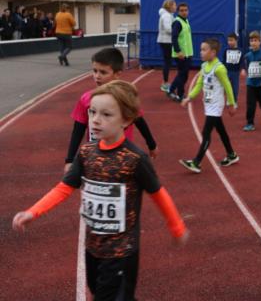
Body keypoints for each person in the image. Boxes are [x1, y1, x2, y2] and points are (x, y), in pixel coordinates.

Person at [13, 80, 188, 300]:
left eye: (106, 115)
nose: (95, 120)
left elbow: (158, 194)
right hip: (93, 248)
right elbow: (64, 188)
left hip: (121, 252)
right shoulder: (86, 153)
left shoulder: (135, 159)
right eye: (92, 112)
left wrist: (177, 227)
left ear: (126, 120)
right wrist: (33, 212)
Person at [64, 47, 157, 172]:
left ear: (117, 74)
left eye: (103, 72)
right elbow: (78, 130)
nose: (97, 76)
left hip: (122, 155)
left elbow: (139, 121)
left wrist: (152, 145)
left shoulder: (125, 98)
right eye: (95, 71)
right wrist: (69, 160)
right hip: (95, 155)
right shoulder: (86, 99)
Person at [179, 39, 239, 173]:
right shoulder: (204, 66)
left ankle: (196, 162)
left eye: (204, 49)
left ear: (213, 52)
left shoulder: (219, 68)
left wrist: (231, 104)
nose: (201, 52)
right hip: (208, 103)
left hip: (216, 105)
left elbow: (228, 86)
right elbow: (199, 84)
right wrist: (189, 98)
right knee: (221, 131)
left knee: (206, 133)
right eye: (201, 49)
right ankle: (231, 154)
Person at [242, 31, 261, 131]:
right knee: (250, 103)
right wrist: (243, 70)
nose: (253, 43)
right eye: (251, 41)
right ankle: (250, 123)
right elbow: (246, 66)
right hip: (250, 83)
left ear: (260, 42)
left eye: (255, 40)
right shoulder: (248, 55)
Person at [168, 3, 193, 102]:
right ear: (178, 11)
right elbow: (174, 38)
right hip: (181, 55)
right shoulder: (177, 22)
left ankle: (172, 90)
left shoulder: (185, 21)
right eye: (182, 10)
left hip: (188, 53)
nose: (184, 12)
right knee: (182, 74)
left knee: (184, 74)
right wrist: (178, 51)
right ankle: (180, 94)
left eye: (186, 10)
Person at [157, 0, 176, 92]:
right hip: (166, 41)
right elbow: (168, 29)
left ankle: (166, 82)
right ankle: (165, 83)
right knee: (167, 62)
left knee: (167, 62)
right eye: (174, 5)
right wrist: (177, 32)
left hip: (166, 40)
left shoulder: (168, 15)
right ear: (170, 6)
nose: (175, 6)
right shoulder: (166, 16)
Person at [225, 33, 243, 103]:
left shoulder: (240, 51)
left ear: (236, 41)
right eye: (228, 40)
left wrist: (243, 69)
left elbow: (242, 61)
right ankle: (229, 99)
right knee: (226, 87)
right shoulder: (226, 50)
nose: (230, 42)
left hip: (236, 72)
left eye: (231, 40)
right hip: (227, 72)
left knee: (235, 88)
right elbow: (224, 60)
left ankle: (234, 101)